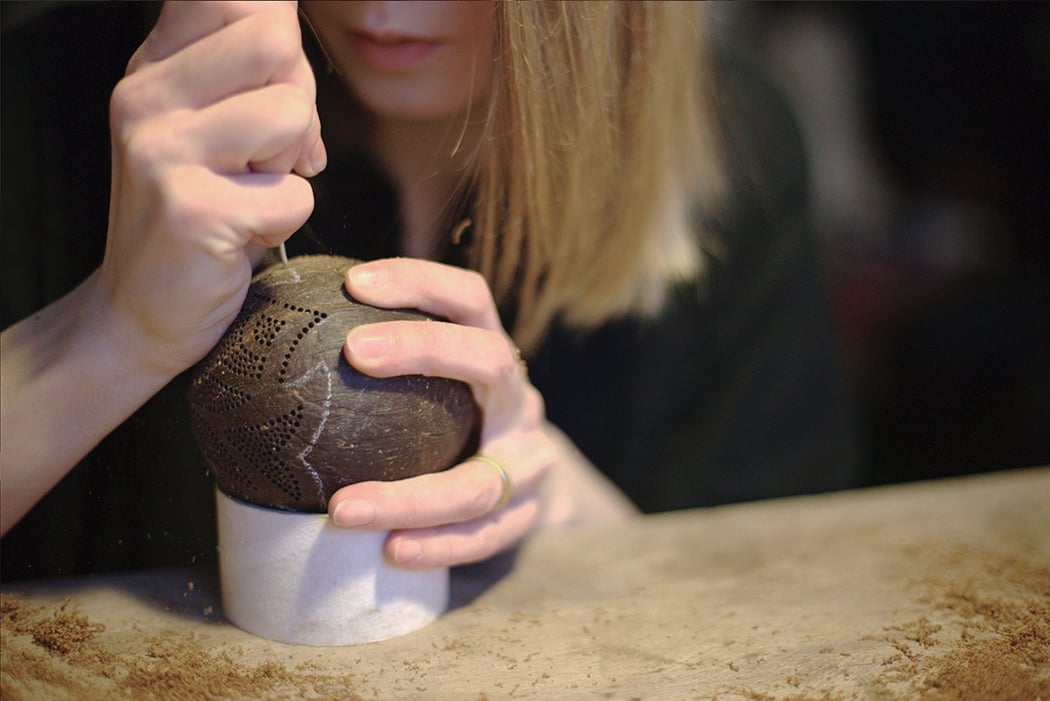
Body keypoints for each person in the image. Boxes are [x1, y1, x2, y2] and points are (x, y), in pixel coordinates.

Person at [1, 1, 861, 580]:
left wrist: (561, 503)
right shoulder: (63, 97)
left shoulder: (731, 153)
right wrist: (110, 334)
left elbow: (792, 603)